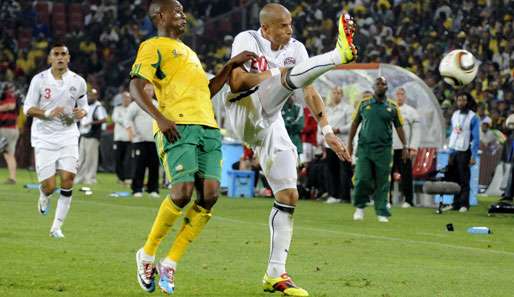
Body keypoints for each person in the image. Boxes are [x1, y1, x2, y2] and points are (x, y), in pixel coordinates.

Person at [224, 3, 356, 296]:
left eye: (291, 24)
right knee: (285, 77)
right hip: (243, 110)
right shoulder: (247, 39)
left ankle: (275, 274)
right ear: (267, 28)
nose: (290, 30)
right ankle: (338, 55)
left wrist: (327, 131)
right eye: (284, 25)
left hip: (271, 121)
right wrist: (276, 73)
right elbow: (237, 80)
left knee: (288, 195)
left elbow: (308, 90)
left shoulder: (296, 49)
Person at [129, 0, 256, 294]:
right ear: (160, 16)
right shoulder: (153, 46)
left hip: (208, 127)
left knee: (210, 196)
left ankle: (171, 264)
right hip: (178, 125)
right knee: (182, 191)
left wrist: (229, 66)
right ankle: (147, 254)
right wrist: (160, 118)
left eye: (183, 11)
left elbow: (207, 92)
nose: (183, 16)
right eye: (177, 11)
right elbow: (136, 86)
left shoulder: (191, 53)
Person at [23, 42, 89, 238]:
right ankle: (44, 195)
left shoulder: (78, 81)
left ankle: (56, 227)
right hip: (44, 137)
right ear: (50, 58)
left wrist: (81, 112)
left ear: (68, 58)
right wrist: (48, 112)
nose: (60, 57)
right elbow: (27, 108)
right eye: (56, 54)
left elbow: (84, 105)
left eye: (64, 54)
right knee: (50, 186)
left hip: (68, 135)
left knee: (68, 179)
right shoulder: (39, 80)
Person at [348, 77, 408, 223]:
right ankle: (360, 208)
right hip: (364, 148)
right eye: (378, 84)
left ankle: (382, 211)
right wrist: (349, 143)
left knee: (382, 181)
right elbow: (355, 124)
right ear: (374, 87)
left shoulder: (393, 107)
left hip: (384, 150)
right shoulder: (364, 104)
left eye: (384, 84)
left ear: (387, 88)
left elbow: (399, 127)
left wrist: (405, 146)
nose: (381, 86)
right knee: (362, 178)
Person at [445, 92, 480, 212]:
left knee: (464, 178)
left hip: (465, 151)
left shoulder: (473, 117)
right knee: (455, 179)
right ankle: (455, 203)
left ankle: (464, 204)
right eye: (459, 100)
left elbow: (476, 138)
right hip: (454, 150)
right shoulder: (454, 115)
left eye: (464, 100)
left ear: (468, 101)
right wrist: (449, 152)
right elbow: (453, 134)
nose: (461, 102)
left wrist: (473, 155)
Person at [125, 84, 160, 197]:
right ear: (142, 91)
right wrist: (131, 133)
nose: (149, 92)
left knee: (154, 166)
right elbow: (127, 119)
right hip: (139, 140)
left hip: (154, 140)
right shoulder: (136, 104)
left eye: (151, 90)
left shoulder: (156, 105)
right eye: (147, 90)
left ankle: (153, 189)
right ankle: (137, 189)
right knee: (139, 165)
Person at [390, 87, 420, 208]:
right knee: (388, 175)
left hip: (404, 148)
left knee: (406, 175)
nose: (399, 96)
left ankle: (408, 200)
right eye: (397, 94)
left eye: (402, 94)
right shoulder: (389, 109)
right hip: (390, 147)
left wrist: (413, 147)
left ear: (405, 96)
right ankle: (388, 199)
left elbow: (416, 131)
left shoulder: (411, 111)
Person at [324, 86, 353, 204]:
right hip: (330, 144)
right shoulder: (327, 108)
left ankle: (345, 196)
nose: (336, 95)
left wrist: (339, 129)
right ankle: (333, 195)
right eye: (334, 92)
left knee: (345, 170)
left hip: (342, 143)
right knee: (332, 170)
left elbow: (351, 124)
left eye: (338, 93)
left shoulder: (347, 108)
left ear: (342, 95)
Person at [75, 88, 107, 185]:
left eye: (92, 95)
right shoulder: (86, 106)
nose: (89, 97)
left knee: (91, 158)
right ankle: (79, 178)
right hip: (84, 134)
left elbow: (104, 119)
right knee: (81, 158)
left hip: (93, 136)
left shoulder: (98, 106)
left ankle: (90, 178)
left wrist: (91, 123)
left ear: (96, 96)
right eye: (88, 95)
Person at [111, 91, 132, 184]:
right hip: (119, 138)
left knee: (128, 159)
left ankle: (127, 177)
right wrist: (127, 123)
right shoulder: (117, 108)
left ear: (130, 99)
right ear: (122, 99)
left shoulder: (133, 108)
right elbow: (115, 119)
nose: (126, 100)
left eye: (128, 98)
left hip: (130, 138)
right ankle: (120, 178)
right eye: (124, 98)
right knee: (118, 159)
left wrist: (126, 122)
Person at [0, 82, 19, 184]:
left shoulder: (8, 96)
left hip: (7, 129)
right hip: (10, 129)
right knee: (9, 154)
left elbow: (11, 105)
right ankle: (12, 177)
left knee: (8, 154)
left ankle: (12, 178)